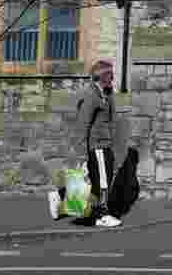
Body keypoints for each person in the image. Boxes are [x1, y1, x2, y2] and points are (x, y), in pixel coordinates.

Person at [67, 60, 122, 227]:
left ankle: (97, 214)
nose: (112, 77)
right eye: (110, 74)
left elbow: (112, 119)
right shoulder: (91, 96)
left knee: (101, 181)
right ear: (102, 76)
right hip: (96, 146)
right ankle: (102, 215)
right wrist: (82, 154)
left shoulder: (105, 94)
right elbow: (82, 126)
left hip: (105, 145)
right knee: (102, 182)